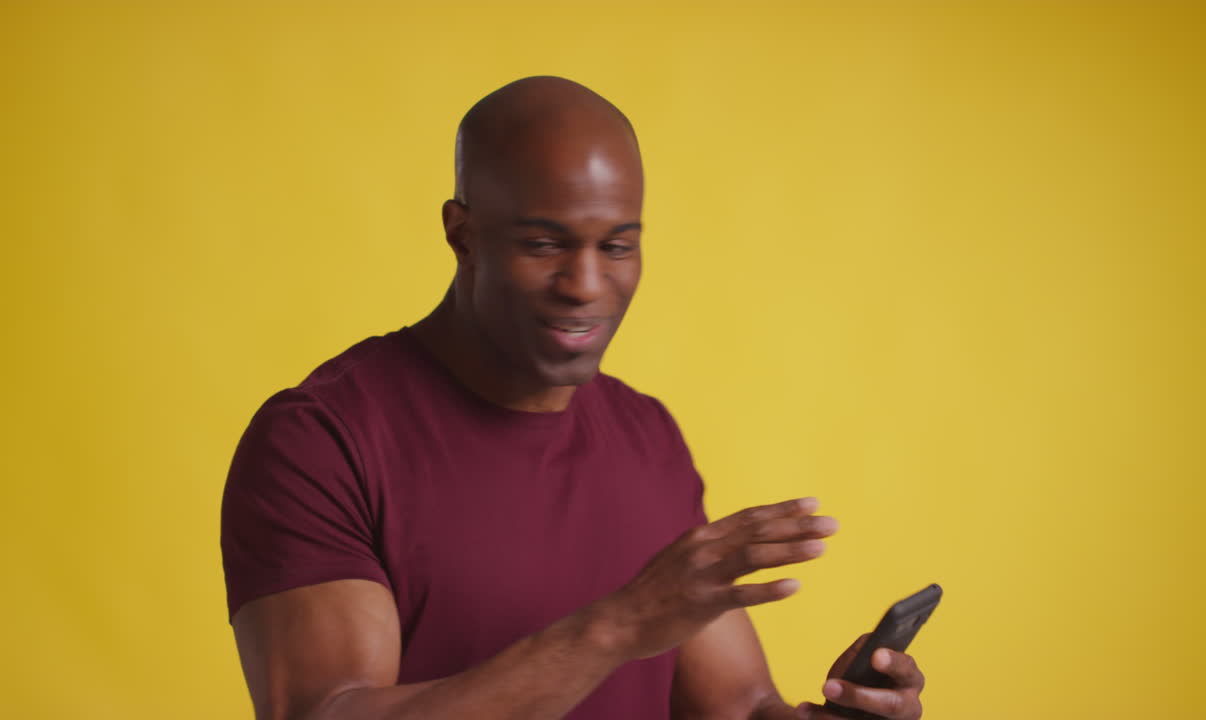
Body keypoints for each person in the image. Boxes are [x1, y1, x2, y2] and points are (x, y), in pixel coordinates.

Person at [221, 76, 927, 720]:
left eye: (617, 247)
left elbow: (737, 705)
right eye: (544, 244)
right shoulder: (320, 440)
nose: (586, 284)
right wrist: (616, 628)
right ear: (462, 234)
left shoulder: (645, 434)